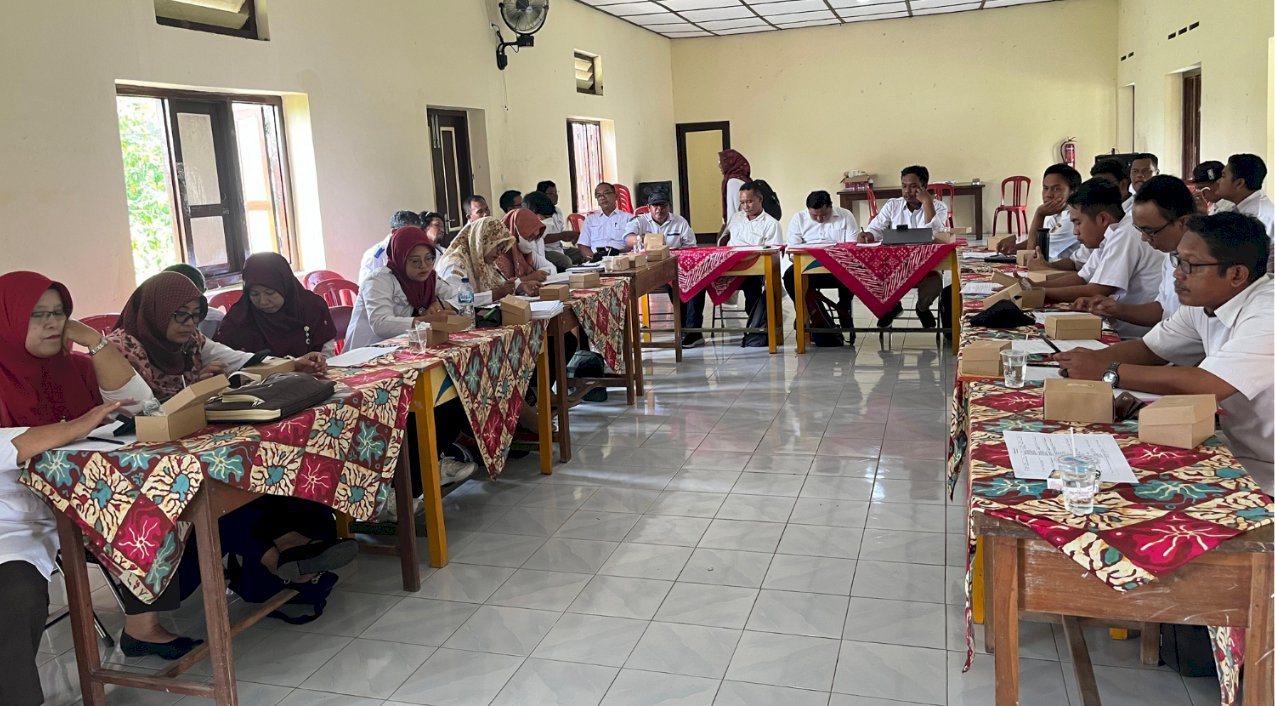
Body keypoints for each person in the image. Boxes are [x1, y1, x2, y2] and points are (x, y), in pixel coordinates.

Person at [100, 272, 354, 655]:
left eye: (194, 315)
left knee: (253, 466)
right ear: (154, 313)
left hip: (184, 448)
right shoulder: (122, 349)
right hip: (132, 464)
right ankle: (280, 553)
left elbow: (238, 359)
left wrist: (292, 365)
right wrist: (195, 388)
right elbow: (141, 413)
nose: (189, 325)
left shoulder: (192, 341)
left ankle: (281, 552)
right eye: (180, 316)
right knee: (219, 482)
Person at [1057, 212, 1273, 493]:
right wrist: (1090, 358)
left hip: (1267, 468)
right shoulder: (1204, 303)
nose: (1177, 273)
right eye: (1177, 259)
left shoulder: (1267, 312)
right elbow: (1150, 348)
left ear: (1237, 274)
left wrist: (1109, 372)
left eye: (1190, 265)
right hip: (1240, 450)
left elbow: (1208, 384)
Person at [0, 271, 134, 704]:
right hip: (8, 522)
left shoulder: (73, 368)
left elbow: (141, 402)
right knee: (15, 594)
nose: (51, 323)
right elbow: (12, 446)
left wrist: (91, 338)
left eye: (59, 312)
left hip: (74, 506)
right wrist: (77, 425)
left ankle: (147, 624)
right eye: (36, 314)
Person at [1034, 178, 1163, 338]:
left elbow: (1096, 290)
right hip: (1118, 325)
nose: (1075, 231)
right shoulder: (1111, 234)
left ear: (1102, 219)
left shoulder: (1127, 233)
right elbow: (1082, 278)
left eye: (1078, 222)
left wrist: (1039, 292)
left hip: (1133, 335)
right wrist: (1033, 286)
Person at [1071, 175, 1194, 328]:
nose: (1143, 238)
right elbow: (1162, 309)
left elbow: (1184, 333)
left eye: (1150, 231)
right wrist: (1115, 309)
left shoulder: (1204, 263)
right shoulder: (1172, 256)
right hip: (1160, 342)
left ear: (1182, 222)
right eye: (1140, 230)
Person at [861, 165, 950, 328]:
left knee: (934, 283)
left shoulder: (938, 207)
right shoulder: (893, 205)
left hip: (926, 265)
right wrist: (869, 234)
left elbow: (938, 234)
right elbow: (877, 227)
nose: (907, 191)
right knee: (871, 275)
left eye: (913, 186)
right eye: (904, 186)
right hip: (895, 265)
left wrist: (927, 202)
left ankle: (922, 309)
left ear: (924, 187)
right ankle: (892, 306)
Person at [345, 226, 457, 350]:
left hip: (403, 348)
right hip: (365, 353)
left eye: (428, 258)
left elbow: (461, 297)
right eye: (415, 261)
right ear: (400, 258)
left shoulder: (429, 279)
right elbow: (380, 324)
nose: (424, 266)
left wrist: (441, 305)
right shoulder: (378, 280)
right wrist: (427, 321)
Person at [214, 252, 340, 358]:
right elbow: (223, 361)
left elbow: (326, 356)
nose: (263, 301)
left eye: (270, 293)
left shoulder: (312, 308)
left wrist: (319, 364)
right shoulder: (238, 319)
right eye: (254, 294)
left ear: (285, 287)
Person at [623, 193, 701, 346]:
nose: (659, 209)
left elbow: (691, 247)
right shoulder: (640, 221)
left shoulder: (679, 222)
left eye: (663, 205)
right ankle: (684, 328)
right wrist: (642, 239)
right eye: (655, 206)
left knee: (693, 282)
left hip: (677, 266)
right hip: (649, 267)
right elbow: (627, 239)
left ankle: (691, 331)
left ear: (669, 207)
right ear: (649, 208)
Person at [783, 190, 860, 344]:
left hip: (838, 269)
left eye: (824, 215)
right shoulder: (799, 219)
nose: (819, 219)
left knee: (852, 271)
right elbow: (792, 250)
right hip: (810, 268)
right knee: (790, 276)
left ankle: (844, 309)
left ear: (831, 206)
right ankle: (808, 313)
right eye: (814, 216)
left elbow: (853, 248)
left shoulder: (845, 216)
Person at [720, 181, 781, 347]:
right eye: (742, 202)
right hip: (729, 267)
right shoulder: (736, 218)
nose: (745, 206)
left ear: (760, 199)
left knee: (752, 284)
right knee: (698, 282)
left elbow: (774, 254)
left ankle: (756, 327)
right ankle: (691, 332)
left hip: (754, 269)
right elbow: (723, 241)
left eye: (749, 201)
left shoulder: (771, 224)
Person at [437, 216, 548, 303]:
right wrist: (494, 294)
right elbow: (458, 300)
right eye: (497, 247)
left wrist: (521, 286)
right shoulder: (454, 264)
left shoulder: (483, 259)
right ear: (483, 242)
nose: (500, 253)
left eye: (503, 248)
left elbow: (501, 284)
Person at [997, 163, 1083, 261]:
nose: (1048, 195)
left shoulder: (1072, 219)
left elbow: (1033, 255)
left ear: (1073, 191)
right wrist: (1014, 248)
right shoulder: (1056, 214)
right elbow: (1042, 240)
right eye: (1045, 188)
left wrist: (1039, 214)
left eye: (1056, 189)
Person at [1212, 153, 1274, 271]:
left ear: (1239, 183)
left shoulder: (1257, 216)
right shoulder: (1237, 206)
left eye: (1223, 176)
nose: (1218, 181)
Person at [359, 210, 422, 286]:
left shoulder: (413, 249)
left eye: (417, 233)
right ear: (394, 232)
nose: (415, 238)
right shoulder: (376, 256)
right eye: (410, 233)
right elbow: (368, 288)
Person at [577, 182, 632, 261]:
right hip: (596, 260)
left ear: (616, 196)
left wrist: (617, 254)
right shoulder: (590, 220)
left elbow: (633, 244)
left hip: (621, 259)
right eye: (598, 195)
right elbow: (583, 244)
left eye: (606, 193)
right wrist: (592, 258)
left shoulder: (628, 218)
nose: (602, 197)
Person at [163, 263, 222, 337]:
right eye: (181, 313)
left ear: (203, 292)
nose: (190, 322)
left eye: (196, 314)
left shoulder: (215, 320)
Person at [533, 180, 583, 267]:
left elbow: (563, 234)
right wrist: (561, 236)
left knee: (583, 253)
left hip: (559, 248)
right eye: (551, 193)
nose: (556, 196)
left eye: (556, 192)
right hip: (545, 251)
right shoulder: (536, 213)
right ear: (542, 196)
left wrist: (572, 236)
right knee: (565, 261)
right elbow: (539, 239)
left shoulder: (557, 211)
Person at [522, 191, 573, 272]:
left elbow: (542, 263)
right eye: (545, 217)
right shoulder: (522, 240)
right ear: (532, 215)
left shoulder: (539, 239)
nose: (549, 222)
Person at [718, 149, 751, 224]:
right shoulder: (745, 179)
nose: (720, 166)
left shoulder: (733, 182)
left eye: (722, 162)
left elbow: (733, 211)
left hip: (740, 228)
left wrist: (729, 231)